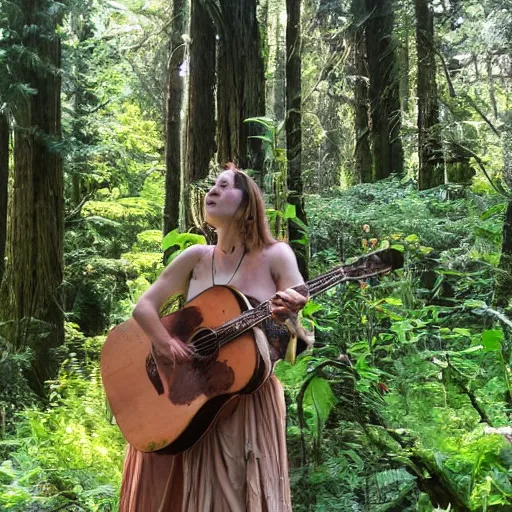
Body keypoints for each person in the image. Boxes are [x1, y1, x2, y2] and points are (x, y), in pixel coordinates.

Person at [119, 163, 308, 512]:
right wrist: (165, 342)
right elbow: (144, 307)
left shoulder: (276, 255)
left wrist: (291, 315)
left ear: (248, 202)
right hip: (182, 396)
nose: (213, 192)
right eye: (212, 187)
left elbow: (292, 340)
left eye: (224, 186)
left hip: (242, 401)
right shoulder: (196, 257)